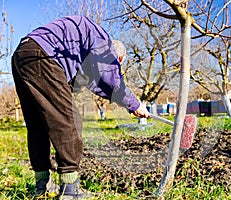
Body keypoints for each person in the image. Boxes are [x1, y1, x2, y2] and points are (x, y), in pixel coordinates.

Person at [11, 15, 149, 199]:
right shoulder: (104, 41)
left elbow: (96, 82)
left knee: (38, 123)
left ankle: (41, 186)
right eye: (117, 64)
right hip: (43, 55)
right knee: (70, 120)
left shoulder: (83, 46)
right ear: (119, 57)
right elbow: (111, 78)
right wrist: (135, 104)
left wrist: (126, 104)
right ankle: (70, 190)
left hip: (22, 54)